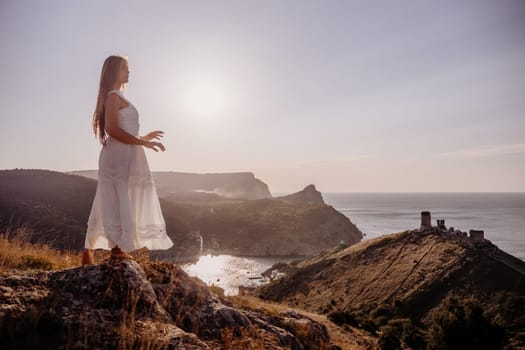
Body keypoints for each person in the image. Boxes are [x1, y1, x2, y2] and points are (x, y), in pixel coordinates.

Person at [81, 55, 174, 265]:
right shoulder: (113, 96)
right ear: (115, 72)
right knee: (117, 194)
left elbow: (122, 131)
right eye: (125, 68)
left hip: (125, 151)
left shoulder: (117, 97)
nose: (129, 72)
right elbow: (113, 130)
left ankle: (104, 248)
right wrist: (144, 144)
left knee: (121, 195)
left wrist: (144, 138)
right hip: (119, 154)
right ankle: (113, 248)